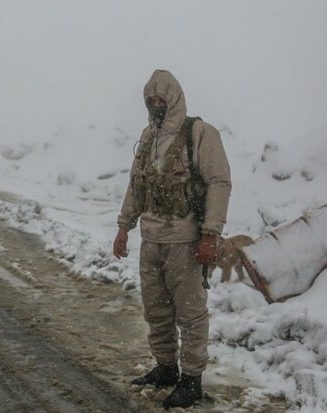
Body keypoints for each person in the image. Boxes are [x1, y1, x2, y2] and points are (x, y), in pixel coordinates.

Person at [113, 69, 231, 409]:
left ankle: (191, 380)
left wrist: (210, 234)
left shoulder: (199, 133)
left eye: (161, 98)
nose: (156, 104)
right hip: (151, 240)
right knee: (156, 311)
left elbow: (219, 183)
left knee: (191, 313)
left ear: (174, 98)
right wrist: (124, 226)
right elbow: (137, 185)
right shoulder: (148, 138)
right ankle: (165, 367)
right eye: (151, 99)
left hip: (185, 241)